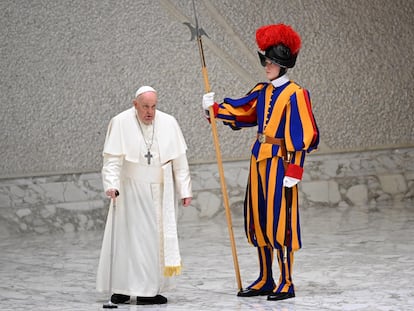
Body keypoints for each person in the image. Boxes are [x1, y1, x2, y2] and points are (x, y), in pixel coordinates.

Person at [202, 24, 319, 301]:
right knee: (260, 219)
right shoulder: (263, 91)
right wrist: (215, 109)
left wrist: (296, 169)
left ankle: (286, 281)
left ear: (282, 64)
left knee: (281, 222)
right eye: (266, 61)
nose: (266, 66)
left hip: (281, 164)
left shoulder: (296, 94)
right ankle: (266, 277)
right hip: (259, 162)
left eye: (271, 62)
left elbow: (303, 133)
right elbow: (244, 111)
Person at [96, 86, 192, 305]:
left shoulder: (168, 122)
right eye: (145, 107)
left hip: (160, 190)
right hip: (130, 189)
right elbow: (111, 159)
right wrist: (111, 184)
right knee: (128, 239)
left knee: (154, 241)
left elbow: (180, 161)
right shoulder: (120, 122)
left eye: (154, 106)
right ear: (135, 104)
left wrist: (185, 190)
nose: (150, 112)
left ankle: (147, 290)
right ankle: (121, 288)